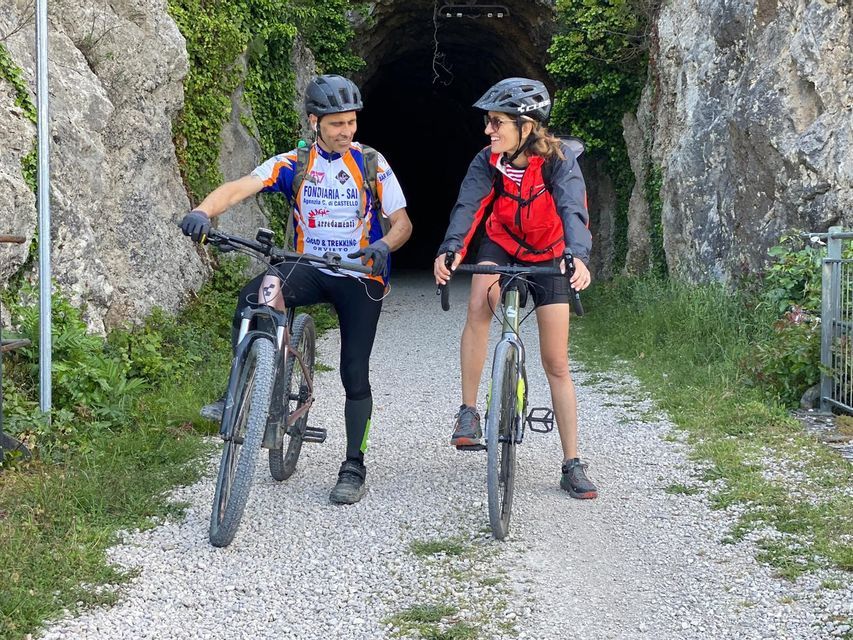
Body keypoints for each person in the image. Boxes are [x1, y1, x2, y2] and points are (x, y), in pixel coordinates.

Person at [180, 74, 413, 505]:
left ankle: (353, 464)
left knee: (353, 373)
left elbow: (402, 222)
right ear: (314, 121)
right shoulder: (293, 164)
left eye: (351, 122)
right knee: (255, 296)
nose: (346, 132)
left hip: (360, 276)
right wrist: (202, 210)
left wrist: (383, 245)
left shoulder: (371, 163)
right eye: (336, 124)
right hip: (307, 266)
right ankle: (241, 388)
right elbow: (239, 188)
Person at [433, 77, 597, 499]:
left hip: (550, 251)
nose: (488, 130)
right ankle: (468, 412)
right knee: (477, 302)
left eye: (496, 122)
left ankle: (572, 463)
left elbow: (572, 208)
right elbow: (468, 206)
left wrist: (577, 255)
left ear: (526, 126)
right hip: (502, 242)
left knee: (556, 361)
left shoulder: (559, 161)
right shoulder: (488, 161)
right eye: (488, 122)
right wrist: (451, 249)